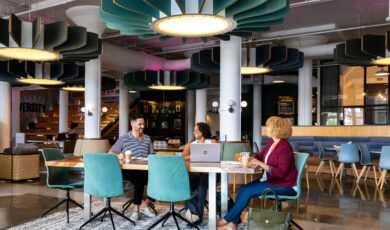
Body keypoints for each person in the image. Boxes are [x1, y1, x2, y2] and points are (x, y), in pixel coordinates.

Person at [217, 116, 298, 230]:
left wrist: (259, 163)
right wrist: (250, 158)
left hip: (285, 185)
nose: (266, 129)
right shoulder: (272, 143)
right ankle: (232, 224)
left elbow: (281, 173)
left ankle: (225, 220)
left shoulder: (284, 147)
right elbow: (260, 156)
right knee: (243, 189)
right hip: (271, 180)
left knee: (247, 191)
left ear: (276, 129)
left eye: (268, 126)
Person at [109, 113, 156, 221]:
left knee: (161, 175)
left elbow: (152, 155)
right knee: (138, 177)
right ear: (132, 124)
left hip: (145, 169)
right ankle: (136, 210)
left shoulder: (147, 138)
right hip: (128, 170)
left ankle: (145, 204)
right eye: (140, 124)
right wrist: (118, 155)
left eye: (143, 124)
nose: (142, 126)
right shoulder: (124, 138)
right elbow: (110, 152)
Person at [182, 122, 217, 224]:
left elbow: (216, 156)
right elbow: (183, 157)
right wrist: (196, 155)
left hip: (208, 171)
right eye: (194, 130)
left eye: (198, 130)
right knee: (187, 185)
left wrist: (197, 155)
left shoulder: (212, 142)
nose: (195, 132)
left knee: (201, 187)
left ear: (204, 131)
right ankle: (193, 211)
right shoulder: (190, 144)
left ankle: (198, 217)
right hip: (194, 172)